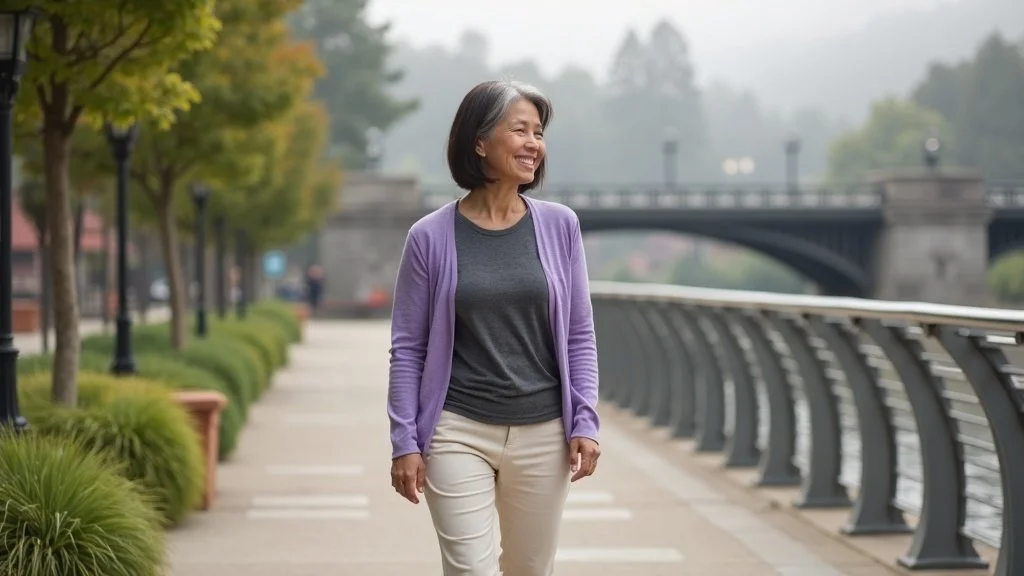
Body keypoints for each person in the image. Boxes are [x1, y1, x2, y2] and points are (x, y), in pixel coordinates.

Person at [387, 79, 601, 576]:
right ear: (480, 142)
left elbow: (579, 335)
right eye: (520, 130)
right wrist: (405, 441)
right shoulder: (429, 237)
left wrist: (585, 421)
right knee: (470, 569)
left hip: (544, 432)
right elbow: (408, 349)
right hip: (456, 430)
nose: (534, 144)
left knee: (531, 569)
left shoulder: (561, 226)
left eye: (538, 133)